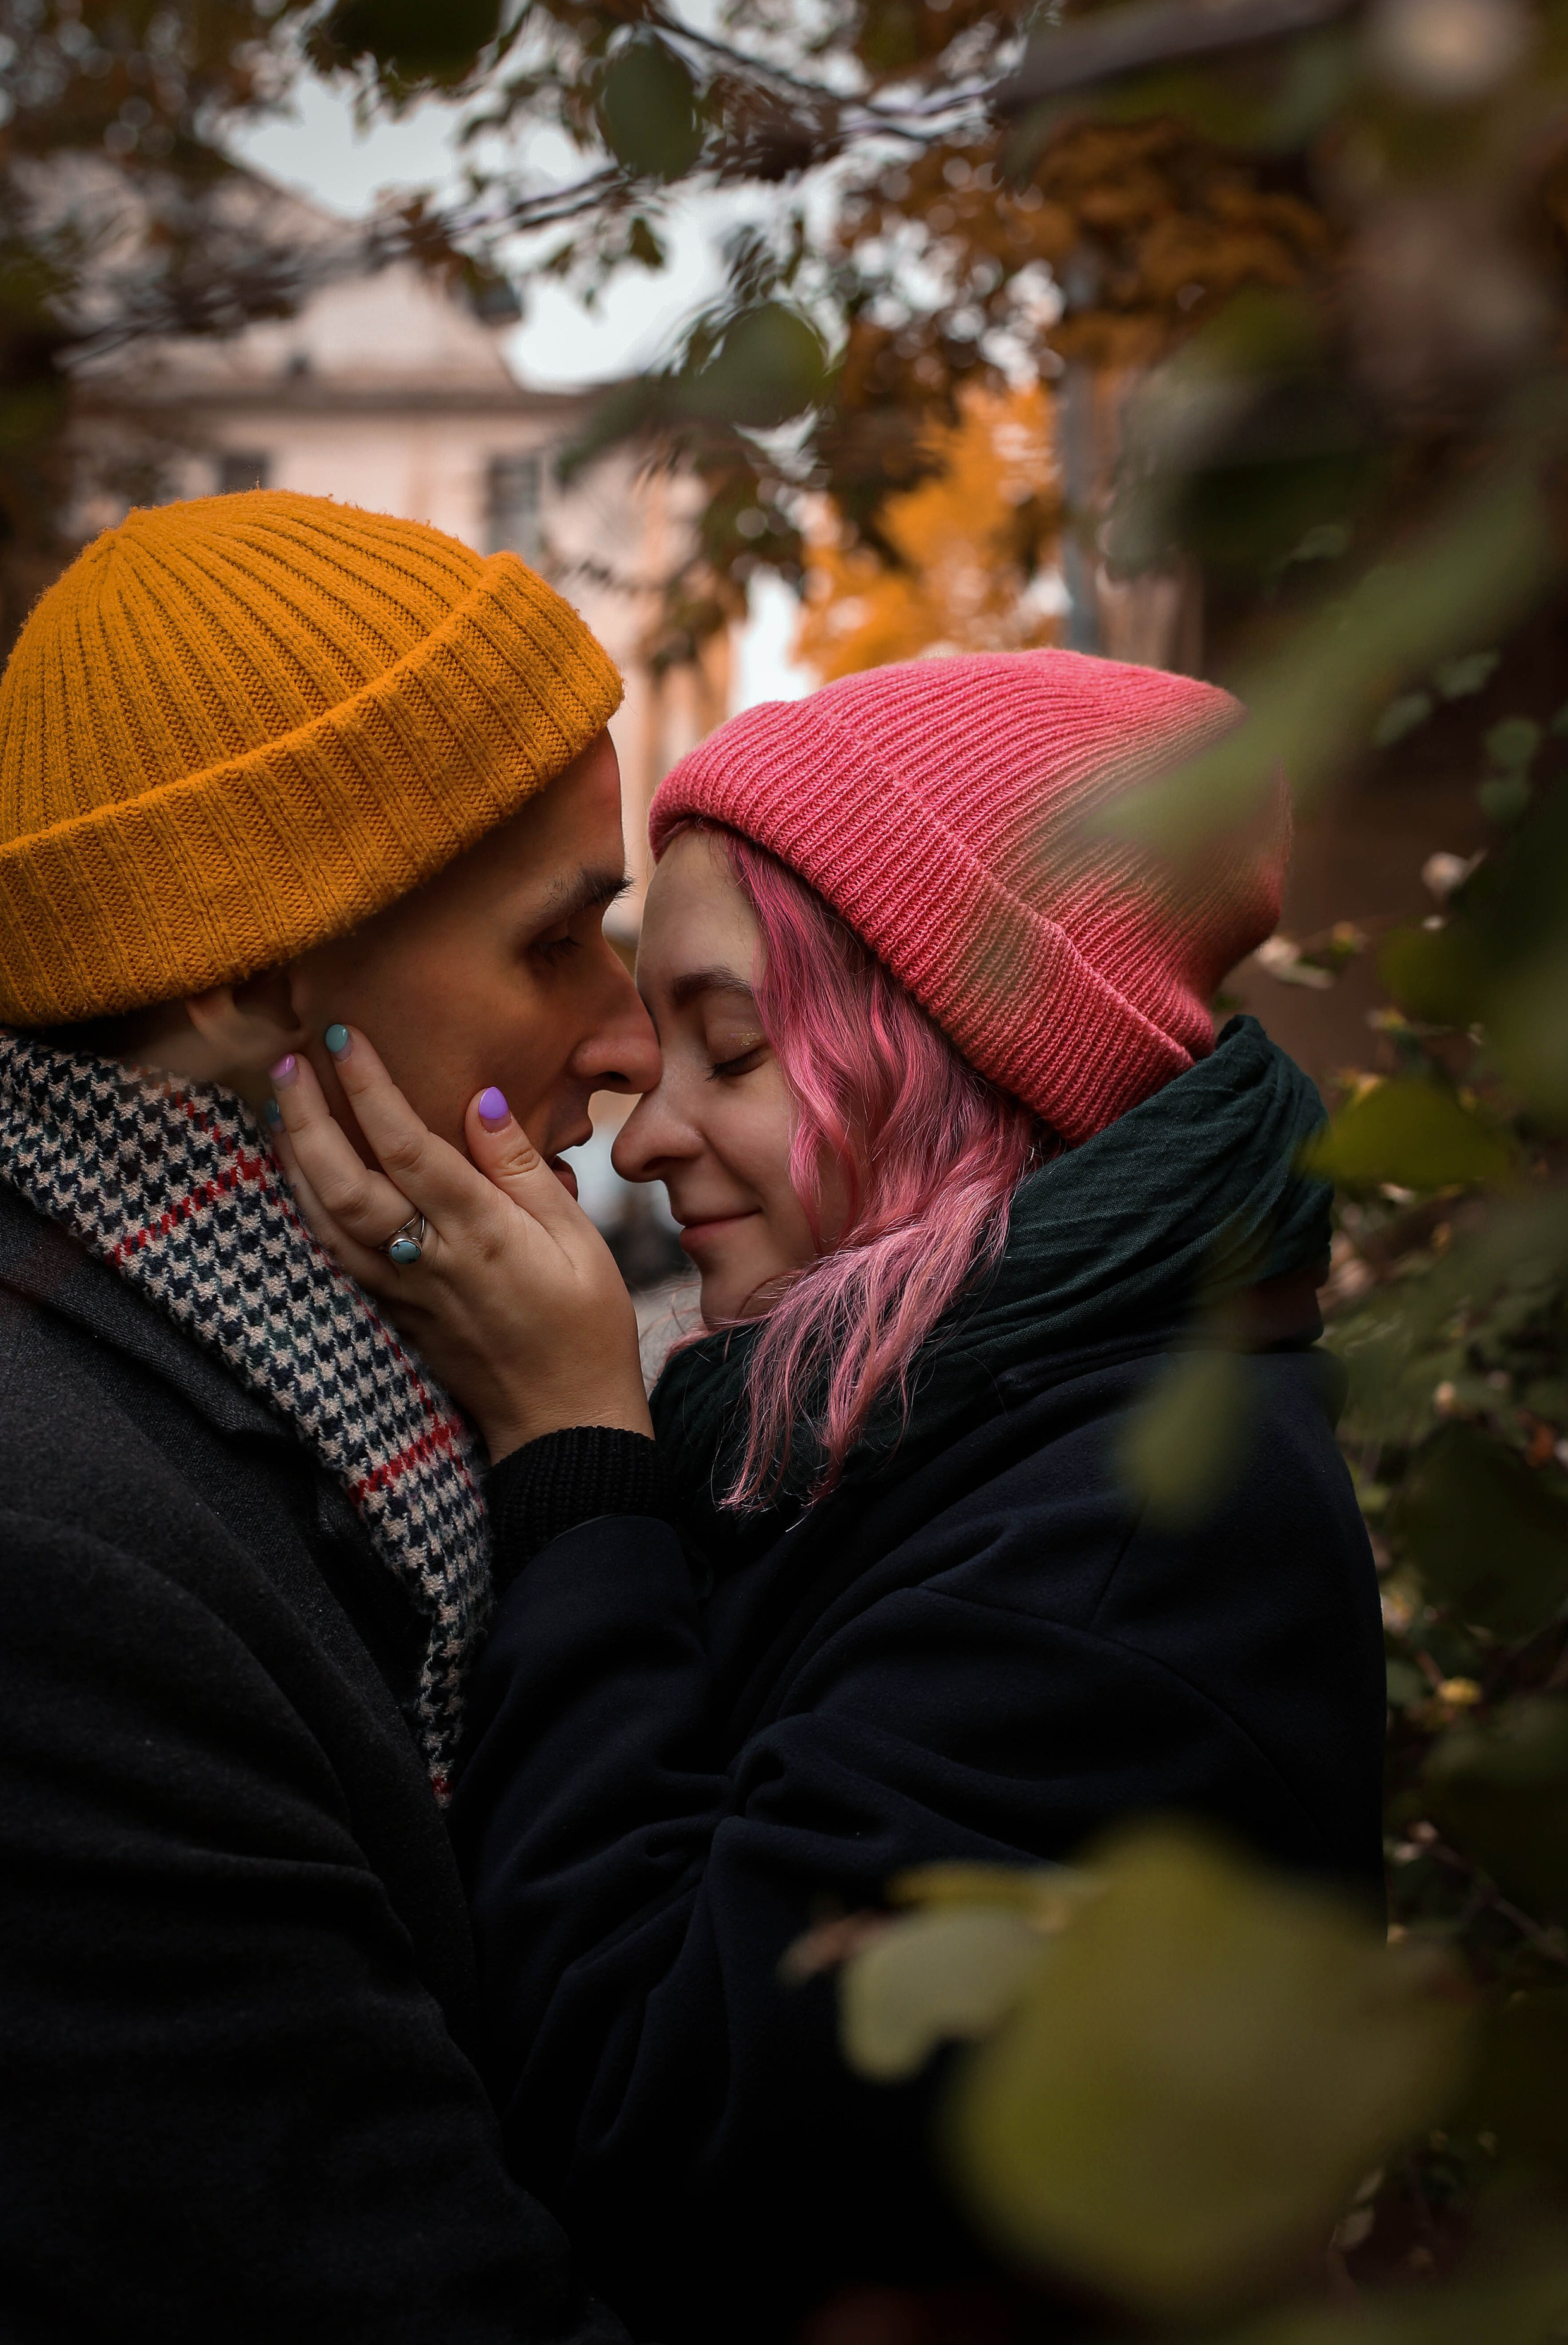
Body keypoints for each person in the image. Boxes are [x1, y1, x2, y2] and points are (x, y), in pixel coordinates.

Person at [270, 650, 1388, 2345]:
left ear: (961, 1065)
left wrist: (575, 1457)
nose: (641, 1139)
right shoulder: (919, 1423)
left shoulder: (1133, 1540)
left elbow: (654, 2109)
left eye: (731, 1049)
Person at [0, 489, 661, 2343]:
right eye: (558, 941)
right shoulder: (25, 1557)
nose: (632, 1040)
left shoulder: (347, 1357)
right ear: (259, 973)